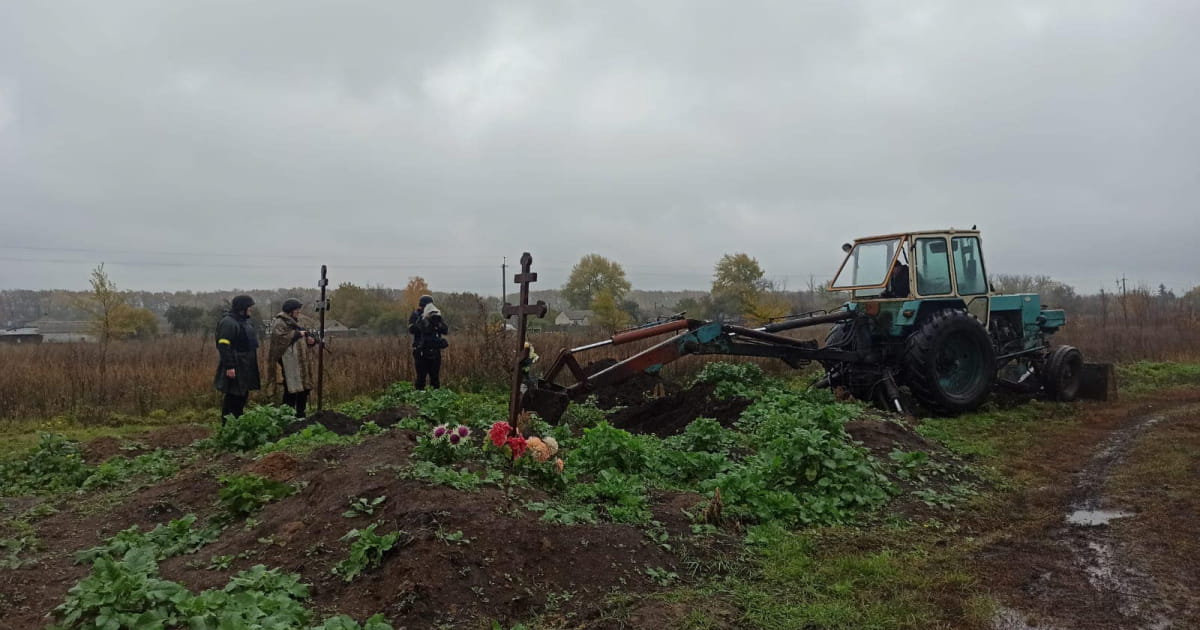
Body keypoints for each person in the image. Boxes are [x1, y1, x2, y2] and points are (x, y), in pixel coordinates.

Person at [266, 298, 318, 418]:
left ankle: (301, 413)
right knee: (291, 388)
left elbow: (308, 334)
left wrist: (311, 340)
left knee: (304, 388)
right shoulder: (280, 322)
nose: (299, 312)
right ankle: (287, 414)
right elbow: (279, 340)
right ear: (290, 311)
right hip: (289, 361)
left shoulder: (299, 321)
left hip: (303, 360)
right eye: (297, 310)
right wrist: (297, 334)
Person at [214, 295, 261, 423]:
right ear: (242, 308)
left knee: (242, 395)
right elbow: (223, 345)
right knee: (233, 396)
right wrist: (229, 366)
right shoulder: (229, 323)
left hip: (246, 365)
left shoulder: (244, 321)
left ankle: (238, 424)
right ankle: (228, 427)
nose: (251, 309)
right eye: (249, 307)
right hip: (235, 365)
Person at [408, 299, 449, 390]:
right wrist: (422, 321)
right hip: (420, 351)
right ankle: (420, 398)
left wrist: (437, 323)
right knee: (421, 378)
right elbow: (412, 330)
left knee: (435, 378)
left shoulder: (435, 316)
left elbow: (445, 330)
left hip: (434, 351)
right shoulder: (416, 315)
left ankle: (435, 399)